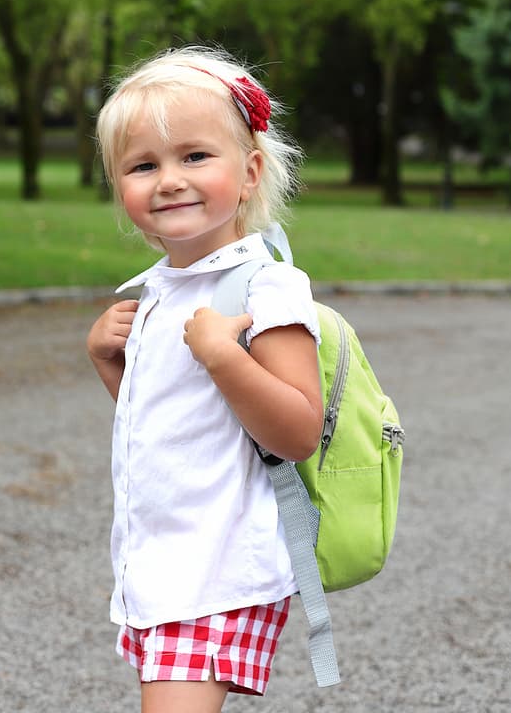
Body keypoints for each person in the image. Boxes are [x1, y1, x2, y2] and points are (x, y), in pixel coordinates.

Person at [86, 46, 324, 713]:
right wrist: (110, 362)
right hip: (160, 566)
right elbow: (172, 426)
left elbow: (298, 431)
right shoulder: (159, 292)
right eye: (143, 165)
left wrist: (226, 358)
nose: (168, 180)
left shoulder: (265, 287)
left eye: (194, 156)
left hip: (216, 568)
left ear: (249, 172)